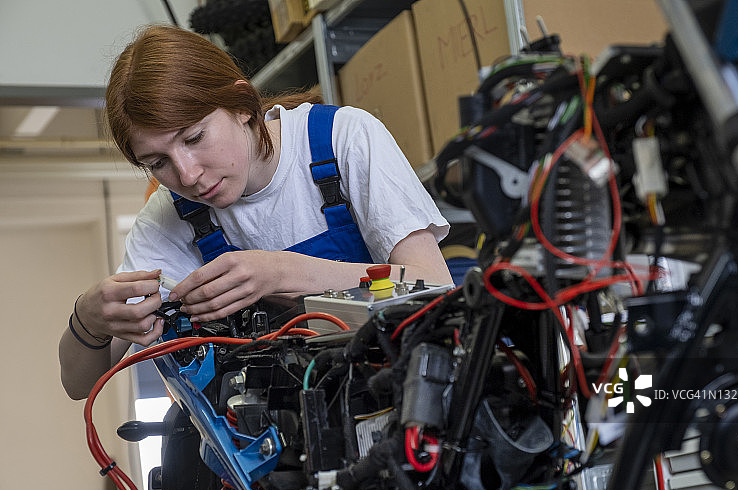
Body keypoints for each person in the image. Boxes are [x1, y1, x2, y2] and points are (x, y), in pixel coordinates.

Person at [59, 25, 452, 400]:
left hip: (393, 395)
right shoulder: (167, 216)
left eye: (194, 137)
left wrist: (281, 273)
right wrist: (87, 321)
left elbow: (435, 286)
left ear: (242, 105)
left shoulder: (341, 139)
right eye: (157, 162)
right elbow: (80, 384)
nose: (187, 174)